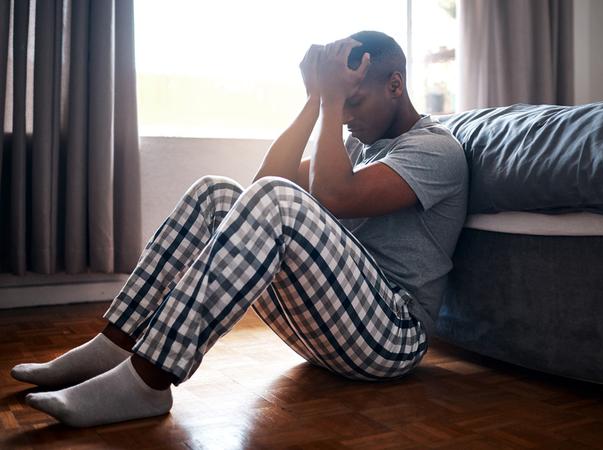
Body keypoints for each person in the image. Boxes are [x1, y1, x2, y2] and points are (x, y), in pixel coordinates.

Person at [10, 30, 468, 427]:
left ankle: (148, 381)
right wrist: (314, 101)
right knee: (217, 194)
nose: (346, 116)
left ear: (395, 85)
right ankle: (112, 346)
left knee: (277, 200)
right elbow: (260, 186)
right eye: (341, 104)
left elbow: (335, 195)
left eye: (355, 101)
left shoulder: (435, 149)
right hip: (333, 327)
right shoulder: (358, 144)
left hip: (392, 336)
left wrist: (330, 98)